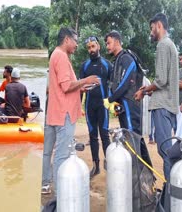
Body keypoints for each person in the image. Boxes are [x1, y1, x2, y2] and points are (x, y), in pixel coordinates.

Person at [42, 27, 99, 194]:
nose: (77, 45)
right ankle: (61, 194)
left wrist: (82, 87)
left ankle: (45, 183)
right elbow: (66, 87)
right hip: (63, 113)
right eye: (75, 41)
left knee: (47, 152)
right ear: (67, 39)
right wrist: (86, 80)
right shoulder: (61, 56)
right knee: (62, 154)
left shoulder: (56, 55)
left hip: (54, 111)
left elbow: (61, 86)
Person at [134, 13, 179, 180]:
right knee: (167, 149)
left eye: (152, 28)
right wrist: (150, 89)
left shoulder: (162, 45)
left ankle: (170, 193)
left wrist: (144, 91)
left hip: (162, 106)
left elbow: (160, 80)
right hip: (170, 104)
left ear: (159, 25)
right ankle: (172, 190)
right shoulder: (171, 45)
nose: (151, 32)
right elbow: (166, 82)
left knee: (165, 150)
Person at [79, 36, 112, 178]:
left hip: (103, 105)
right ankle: (96, 166)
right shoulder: (84, 66)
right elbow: (80, 87)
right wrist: (77, 106)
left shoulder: (107, 65)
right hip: (89, 105)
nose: (91, 50)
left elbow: (114, 84)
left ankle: (110, 165)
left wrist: (114, 103)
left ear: (98, 46)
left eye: (93, 46)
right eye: (88, 48)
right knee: (93, 135)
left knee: (104, 135)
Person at [103, 30, 142, 135]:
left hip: (130, 103)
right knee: (127, 138)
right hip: (122, 105)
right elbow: (113, 84)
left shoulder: (126, 59)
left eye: (109, 43)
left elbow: (124, 84)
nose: (107, 46)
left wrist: (110, 99)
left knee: (133, 136)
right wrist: (113, 102)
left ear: (117, 42)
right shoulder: (117, 61)